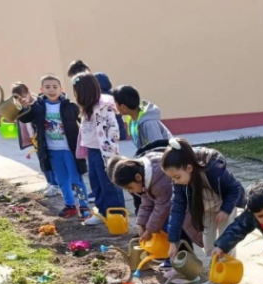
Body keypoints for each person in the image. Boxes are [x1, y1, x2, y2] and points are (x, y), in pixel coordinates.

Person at [162, 138, 244, 284]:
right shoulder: (180, 182)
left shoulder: (214, 169)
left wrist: (225, 210)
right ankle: (215, 277)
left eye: (177, 177)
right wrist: (173, 241)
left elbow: (234, 189)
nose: (175, 182)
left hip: (225, 204)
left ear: (189, 168)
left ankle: (228, 281)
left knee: (226, 244)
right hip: (206, 208)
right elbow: (177, 209)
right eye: (172, 178)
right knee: (209, 245)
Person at [17, 75, 90, 219]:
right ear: (41, 89)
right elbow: (26, 118)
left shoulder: (70, 105)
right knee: (61, 180)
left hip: (70, 150)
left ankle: (83, 205)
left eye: (55, 87)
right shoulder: (37, 106)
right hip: (51, 150)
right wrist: (24, 108)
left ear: (61, 89)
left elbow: (84, 121)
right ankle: (70, 205)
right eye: (47, 87)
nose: (51, 90)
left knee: (76, 180)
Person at [107, 152, 203, 250]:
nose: (130, 192)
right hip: (181, 202)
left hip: (194, 200)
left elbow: (161, 209)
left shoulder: (159, 182)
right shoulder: (146, 175)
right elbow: (146, 202)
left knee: (185, 228)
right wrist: (141, 223)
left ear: (138, 177)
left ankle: (182, 254)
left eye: (130, 188)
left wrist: (149, 230)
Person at [71, 72, 127, 226]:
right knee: (96, 184)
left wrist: (109, 155)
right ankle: (103, 212)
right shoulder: (86, 108)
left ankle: (117, 215)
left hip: (104, 153)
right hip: (92, 150)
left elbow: (113, 131)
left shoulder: (104, 107)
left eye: (77, 92)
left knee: (109, 185)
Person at [112, 84, 173, 215]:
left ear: (123, 106)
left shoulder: (148, 123)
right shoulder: (132, 119)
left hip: (163, 162)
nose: (114, 107)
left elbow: (159, 148)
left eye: (115, 104)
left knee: (144, 192)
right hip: (148, 159)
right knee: (135, 191)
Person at [11, 82, 59, 198]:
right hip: (34, 139)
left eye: (23, 97)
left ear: (28, 93)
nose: (21, 100)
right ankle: (49, 183)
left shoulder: (39, 103)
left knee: (50, 162)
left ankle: (55, 185)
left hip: (44, 138)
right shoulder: (21, 106)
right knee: (42, 162)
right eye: (17, 98)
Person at [66, 59, 127, 140]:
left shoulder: (90, 95)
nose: (74, 84)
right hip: (115, 132)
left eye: (75, 80)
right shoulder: (104, 92)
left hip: (105, 137)